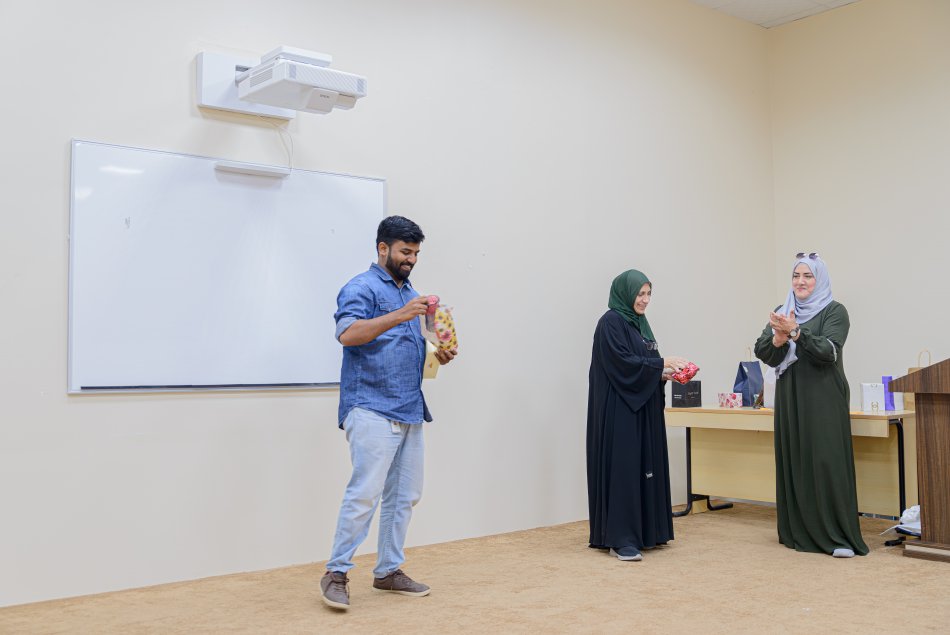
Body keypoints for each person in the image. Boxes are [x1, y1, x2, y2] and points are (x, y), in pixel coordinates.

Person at [320, 215, 457, 610]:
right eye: (404, 252)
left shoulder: (410, 292)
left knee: (404, 496)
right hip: (370, 407)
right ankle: (336, 572)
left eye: (415, 253)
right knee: (365, 493)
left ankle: (388, 572)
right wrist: (400, 315)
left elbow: (414, 351)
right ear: (383, 248)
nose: (411, 259)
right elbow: (348, 334)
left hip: (410, 408)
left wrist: (439, 355)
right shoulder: (360, 287)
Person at [754, 252, 868, 558]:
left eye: (808, 276)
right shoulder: (784, 310)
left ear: (820, 280)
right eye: (796, 276)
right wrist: (777, 340)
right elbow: (763, 350)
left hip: (823, 396)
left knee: (825, 461)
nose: (800, 282)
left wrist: (794, 332)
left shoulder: (835, 311)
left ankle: (837, 536)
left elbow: (827, 352)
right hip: (790, 395)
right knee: (796, 458)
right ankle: (797, 532)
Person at [587, 270, 689, 561]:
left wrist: (664, 374)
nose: (644, 300)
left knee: (645, 466)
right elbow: (622, 363)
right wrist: (660, 364)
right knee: (624, 469)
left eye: (648, 294)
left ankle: (647, 531)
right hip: (619, 412)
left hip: (641, 406)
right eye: (639, 294)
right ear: (625, 293)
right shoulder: (610, 323)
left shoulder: (640, 324)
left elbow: (642, 364)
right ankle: (621, 539)